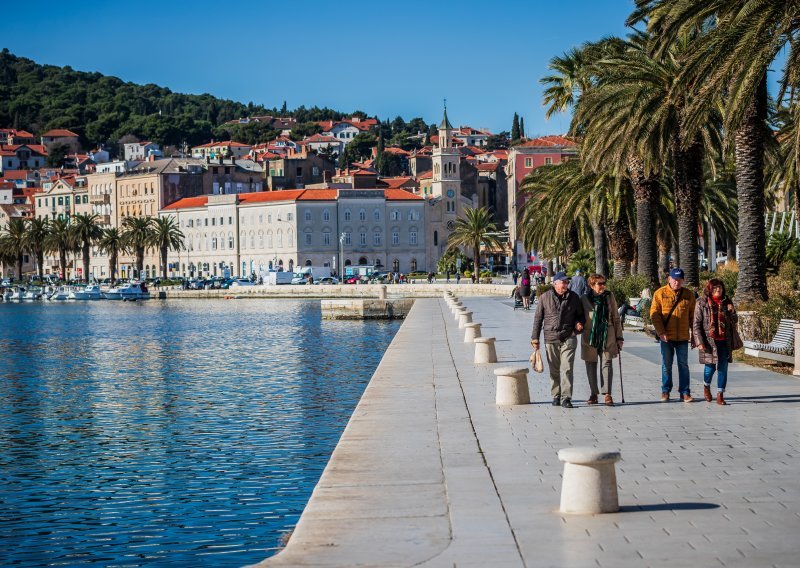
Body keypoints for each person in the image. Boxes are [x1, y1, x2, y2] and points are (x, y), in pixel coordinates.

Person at [531, 271, 586, 408]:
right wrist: (535, 338)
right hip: (551, 337)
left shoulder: (574, 297)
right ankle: (556, 395)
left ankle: (566, 397)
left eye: (567, 282)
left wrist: (579, 325)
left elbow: (581, 316)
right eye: (563, 282)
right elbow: (538, 319)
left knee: (567, 368)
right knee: (554, 369)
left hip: (569, 336)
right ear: (555, 283)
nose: (566, 284)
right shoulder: (545, 297)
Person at [650, 267, 696, 402]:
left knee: (683, 365)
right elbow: (654, 315)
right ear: (669, 279)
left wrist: (694, 336)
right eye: (675, 279)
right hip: (666, 337)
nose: (677, 282)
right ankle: (665, 391)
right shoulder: (660, 293)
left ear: (683, 280)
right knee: (666, 365)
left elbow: (693, 317)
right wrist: (661, 332)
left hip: (682, 337)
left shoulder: (688, 295)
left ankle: (685, 392)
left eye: (679, 280)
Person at [693, 278, 741, 405]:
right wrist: (699, 341)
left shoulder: (727, 302)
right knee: (710, 367)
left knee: (723, 368)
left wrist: (732, 312)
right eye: (715, 288)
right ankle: (706, 386)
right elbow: (696, 324)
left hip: (724, 341)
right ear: (710, 289)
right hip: (709, 341)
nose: (718, 290)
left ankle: (720, 394)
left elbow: (734, 321)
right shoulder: (701, 303)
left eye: (720, 287)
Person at [580, 274, 624, 406]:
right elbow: (578, 316)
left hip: (607, 336)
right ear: (592, 285)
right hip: (590, 337)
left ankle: (607, 394)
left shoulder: (609, 296)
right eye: (599, 283)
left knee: (607, 364)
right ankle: (594, 394)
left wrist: (619, 337)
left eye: (604, 283)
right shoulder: (584, 299)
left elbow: (616, 317)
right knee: (590, 365)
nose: (603, 286)